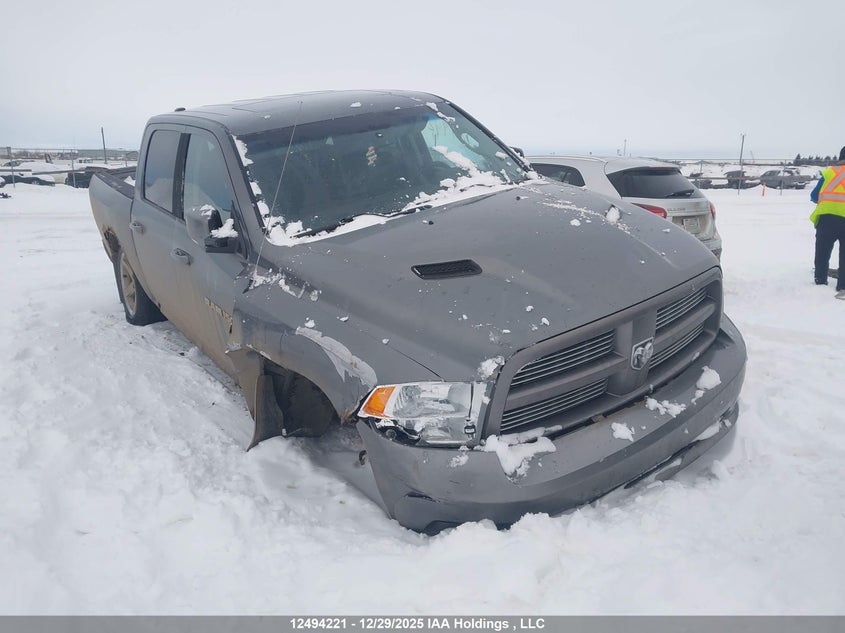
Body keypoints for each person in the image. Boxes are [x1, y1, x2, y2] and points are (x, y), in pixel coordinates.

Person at [809, 146, 845, 300]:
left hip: (827, 219)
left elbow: (814, 195)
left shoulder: (830, 173)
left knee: (823, 251)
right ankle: (843, 285)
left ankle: (820, 281)